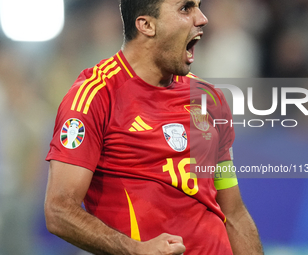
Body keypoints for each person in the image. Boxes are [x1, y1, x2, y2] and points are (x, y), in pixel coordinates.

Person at [44, 0, 263, 254]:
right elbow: (58, 210)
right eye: (186, 8)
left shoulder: (208, 99)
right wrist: (134, 249)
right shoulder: (95, 98)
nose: (202, 18)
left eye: (199, 6)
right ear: (146, 25)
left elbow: (233, 212)